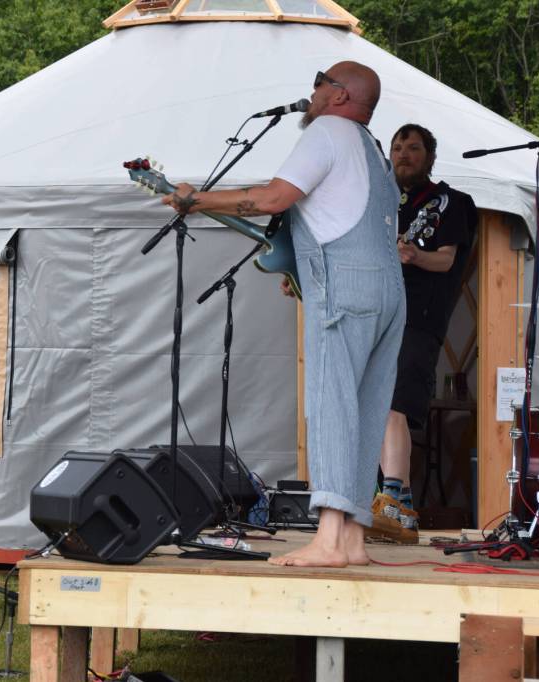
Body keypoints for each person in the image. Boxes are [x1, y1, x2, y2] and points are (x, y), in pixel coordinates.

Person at [162, 62, 405, 567]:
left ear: (339, 95)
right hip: (388, 291)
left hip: (346, 288)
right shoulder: (373, 150)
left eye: (319, 83)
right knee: (364, 410)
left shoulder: (327, 132)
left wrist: (195, 199)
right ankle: (354, 538)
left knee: (331, 401)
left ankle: (330, 540)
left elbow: (273, 198)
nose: (311, 92)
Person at [369, 124, 478, 544]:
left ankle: (392, 501)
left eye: (413, 148)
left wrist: (413, 253)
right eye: (397, 147)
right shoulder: (379, 202)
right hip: (378, 313)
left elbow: (447, 261)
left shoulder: (450, 202)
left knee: (394, 405)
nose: (403, 154)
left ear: (430, 156)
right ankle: (403, 509)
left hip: (418, 317)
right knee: (378, 407)